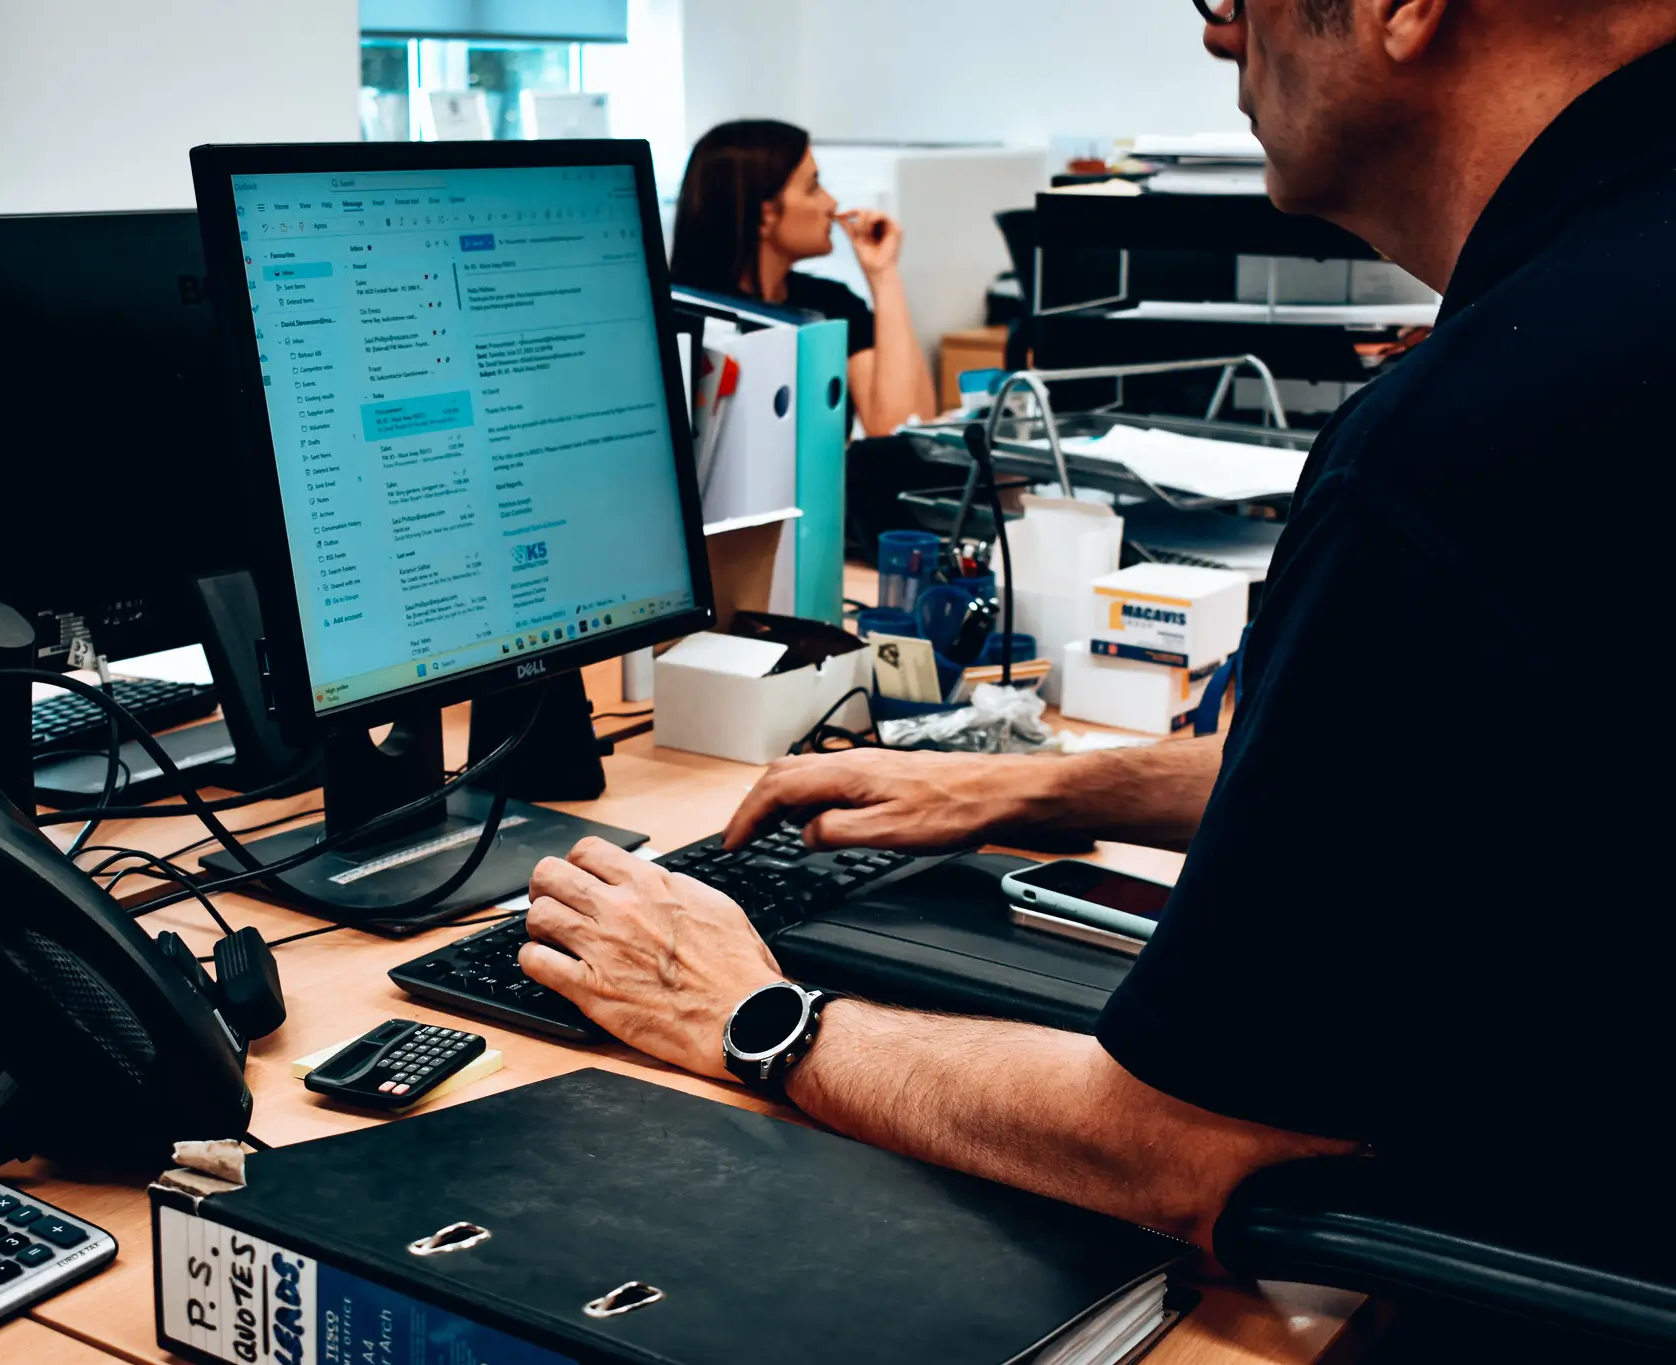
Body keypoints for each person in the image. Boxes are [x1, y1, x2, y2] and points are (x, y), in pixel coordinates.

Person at [523, 0, 1676, 1267]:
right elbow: (1457, 772)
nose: (1216, 40)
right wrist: (1023, 789)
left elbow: (1185, 1143)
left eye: (1228, 0)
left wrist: (749, 1013)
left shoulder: (1473, 440)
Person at [670, 120, 938, 439]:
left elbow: (904, 428)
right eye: (813, 187)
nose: (831, 203)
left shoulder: (831, 305)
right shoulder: (684, 316)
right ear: (765, 215)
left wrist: (883, 275)